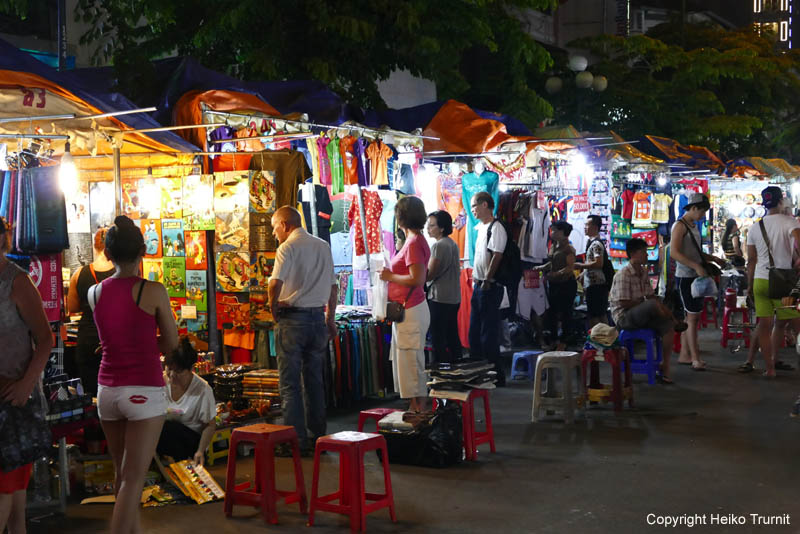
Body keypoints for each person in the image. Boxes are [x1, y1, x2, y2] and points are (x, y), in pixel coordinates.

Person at [88, 215, 178, 534]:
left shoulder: (94, 292)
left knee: (122, 473)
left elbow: (111, 337)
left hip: (108, 392)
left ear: (108, 255)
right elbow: (171, 343)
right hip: (143, 390)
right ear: (143, 251)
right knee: (134, 478)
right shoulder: (152, 290)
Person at [0, 217, 54, 534]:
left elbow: (45, 340)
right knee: (15, 504)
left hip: (14, 404)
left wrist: (25, 385)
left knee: (7, 491)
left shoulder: (17, 282)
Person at [269, 206, 337, 452]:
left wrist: (272, 307)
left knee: (289, 384)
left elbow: (274, 283)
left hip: (292, 321)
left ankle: (295, 443)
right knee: (314, 381)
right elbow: (333, 287)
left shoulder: (287, 248)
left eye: (275, 227)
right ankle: (319, 437)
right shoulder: (322, 246)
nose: (274, 233)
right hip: (317, 320)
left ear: (285, 225)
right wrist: (331, 319)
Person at [609, 238, 688, 384]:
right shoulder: (623, 274)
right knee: (651, 304)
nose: (647, 255)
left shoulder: (643, 272)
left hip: (641, 314)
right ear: (633, 254)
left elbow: (652, 296)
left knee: (668, 327)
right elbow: (623, 303)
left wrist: (667, 314)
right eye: (644, 252)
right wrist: (644, 303)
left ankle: (665, 366)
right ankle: (674, 321)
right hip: (624, 317)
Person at [380, 197, 431, 411]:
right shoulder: (414, 241)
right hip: (409, 309)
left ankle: (418, 408)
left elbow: (418, 279)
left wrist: (389, 276)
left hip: (411, 309)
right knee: (407, 358)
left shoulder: (414, 243)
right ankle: (415, 406)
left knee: (411, 360)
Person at [745, 186, 800, 378]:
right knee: (795, 323)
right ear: (780, 202)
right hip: (783, 282)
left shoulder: (754, 227)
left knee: (765, 326)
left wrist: (749, 285)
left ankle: (770, 369)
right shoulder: (789, 222)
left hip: (761, 280)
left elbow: (751, 261)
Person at [670, 193, 726, 371]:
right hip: (686, 277)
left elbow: (695, 251)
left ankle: (685, 355)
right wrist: (696, 266)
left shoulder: (693, 225)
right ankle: (695, 358)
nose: (703, 215)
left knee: (691, 317)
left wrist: (713, 259)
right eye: (701, 211)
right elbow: (674, 252)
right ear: (693, 208)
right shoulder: (679, 226)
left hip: (694, 276)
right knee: (693, 319)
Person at [67, 227, 115, 397]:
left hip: (87, 339)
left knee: (91, 392)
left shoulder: (79, 274)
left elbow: (72, 307)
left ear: (95, 246)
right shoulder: (122, 273)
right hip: (113, 339)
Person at [157, 337, 216, 465]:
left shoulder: (202, 389)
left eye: (178, 371)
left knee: (168, 427)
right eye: (169, 369)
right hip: (164, 441)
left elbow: (210, 426)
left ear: (191, 368)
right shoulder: (160, 382)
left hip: (190, 444)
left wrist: (200, 451)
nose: (172, 375)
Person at [468, 191, 507, 386]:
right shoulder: (480, 228)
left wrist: (487, 279)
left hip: (489, 287)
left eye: (474, 205)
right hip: (479, 285)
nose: (472, 209)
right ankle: (479, 373)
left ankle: (495, 376)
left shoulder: (496, 227)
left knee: (488, 334)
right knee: (475, 332)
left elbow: (497, 255)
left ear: (485, 205)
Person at [426, 210, 462, 363]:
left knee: (438, 338)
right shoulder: (451, 243)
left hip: (439, 297)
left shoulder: (438, 246)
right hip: (453, 297)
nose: (428, 229)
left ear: (441, 228)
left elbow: (430, 274)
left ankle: (440, 371)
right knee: (452, 334)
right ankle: (456, 367)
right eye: (428, 225)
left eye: (432, 226)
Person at [539, 221, 577, 350]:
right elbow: (551, 262)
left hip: (566, 284)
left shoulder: (568, 248)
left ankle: (564, 341)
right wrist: (541, 267)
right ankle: (554, 340)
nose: (552, 233)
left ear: (562, 232)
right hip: (554, 284)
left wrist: (556, 274)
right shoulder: (554, 245)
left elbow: (570, 268)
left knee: (566, 313)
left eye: (554, 230)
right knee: (552, 312)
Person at [575, 215, 609, 327]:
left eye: (587, 225)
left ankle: (600, 340)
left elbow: (599, 263)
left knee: (596, 315)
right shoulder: (592, 243)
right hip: (595, 285)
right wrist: (583, 273)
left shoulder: (596, 244)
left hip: (596, 286)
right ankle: (605, 340)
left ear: (594, 227)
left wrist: (581, 265)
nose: (584, 227)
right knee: (599, 314)